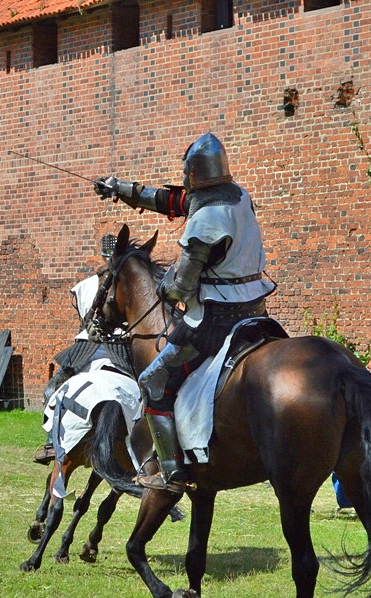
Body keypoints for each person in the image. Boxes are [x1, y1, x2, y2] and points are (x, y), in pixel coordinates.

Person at [93, 132, 275, 493]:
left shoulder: (204, 222)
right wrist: (121, 189)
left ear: (192, 173)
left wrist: (164, 284)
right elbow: (174, 200)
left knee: (154, 381)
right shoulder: (239, 196)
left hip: (213, 321)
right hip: (256, 311)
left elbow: (180, 288)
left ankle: (172, 471)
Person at [34, 234, 134, 464]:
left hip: (121, 349)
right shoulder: (85, 286)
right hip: (87, 348)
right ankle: (52, 443)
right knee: (52, 389)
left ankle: (150, 448)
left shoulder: (129, 284)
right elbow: (84, 321)